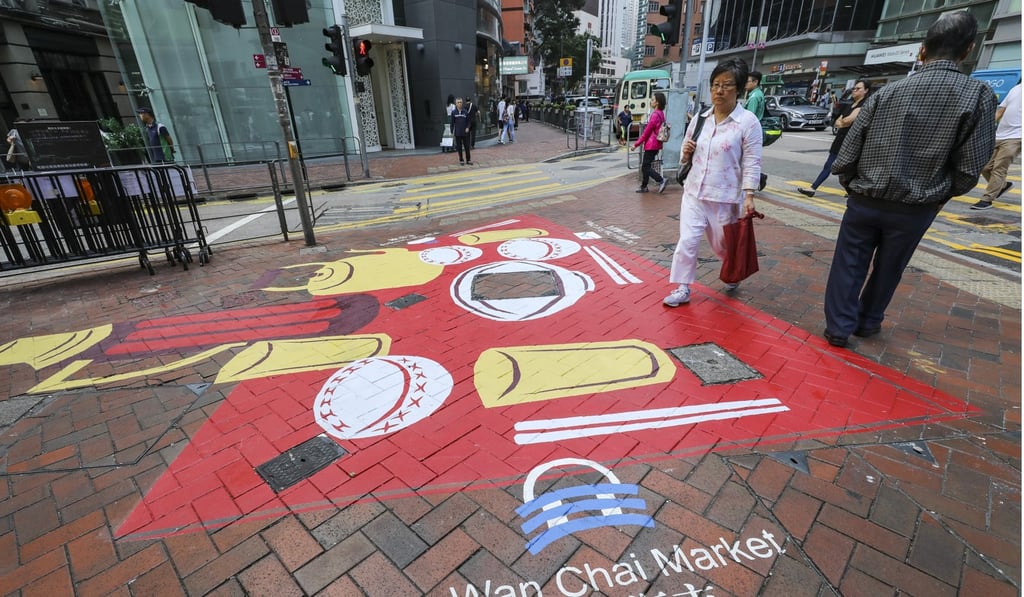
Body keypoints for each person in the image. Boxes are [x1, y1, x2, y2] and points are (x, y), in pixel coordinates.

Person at [823, 12, 997, 348]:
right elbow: (971, 165)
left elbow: (849, 150)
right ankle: (868, 321)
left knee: (849, 262)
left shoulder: (887, 93)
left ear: (922, 51)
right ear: (968, 50)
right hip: (917, 204)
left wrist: (851, 183)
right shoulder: (977, 96)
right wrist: (942, 192)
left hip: (865, 197)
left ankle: (839, 328)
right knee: (891, 266)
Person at [663, 58, 762, 307]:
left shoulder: (748, 123)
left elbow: (752, 161)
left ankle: (732, 270)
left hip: (726, 197)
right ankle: (682, 287)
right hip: (695, 191)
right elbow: (687, 155)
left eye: (726, 85)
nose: (719, 90)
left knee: (722, 246)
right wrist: (685, 153)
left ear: (738, 89)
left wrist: (749, 194)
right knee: (687, 240)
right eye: (715, 84)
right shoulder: (700, 119)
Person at [797, 80, 871, 197]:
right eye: (854, 88)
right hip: (840, 140)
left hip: (850, 142)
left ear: (866, 91)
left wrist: (842, 122)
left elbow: (847, 121)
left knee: (847, 170)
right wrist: (842, 122)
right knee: (830, 165)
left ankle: (851, 191)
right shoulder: (850, 105)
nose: (855, 91)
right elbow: (838, 122)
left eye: (858, 89)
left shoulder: (864, 106)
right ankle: (813, 188)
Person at [971, 81, 1021, 210]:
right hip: (999, 134)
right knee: (985, 166)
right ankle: (1002, 186)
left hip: (1016, 136)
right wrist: (986, 125)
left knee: (999, 168)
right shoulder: (1015, 89)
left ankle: (986, 200)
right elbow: (1001, 110)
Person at [631, 91, 668, 194]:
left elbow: (646, 133)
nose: (651, 101)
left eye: (652, 100)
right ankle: (644, 186)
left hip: (651, 144)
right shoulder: (661, 114)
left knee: (645, 166)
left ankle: (661, 180)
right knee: (646, 165)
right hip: (657, 144)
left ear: (657, 103)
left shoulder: (655, 115)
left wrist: (636, 144)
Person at [450, 97, 472, 165]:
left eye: (461, 102)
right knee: (459, 148)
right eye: (458, 102)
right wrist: (451, 132)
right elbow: (452, 123)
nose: (460, 104)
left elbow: (469, 121)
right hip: (458, 133)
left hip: (465, 133)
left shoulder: (465, 112)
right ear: (456, 104)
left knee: (467, 147)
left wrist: (468, 127)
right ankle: (461, 160)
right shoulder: (453, 113)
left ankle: (468, 160)